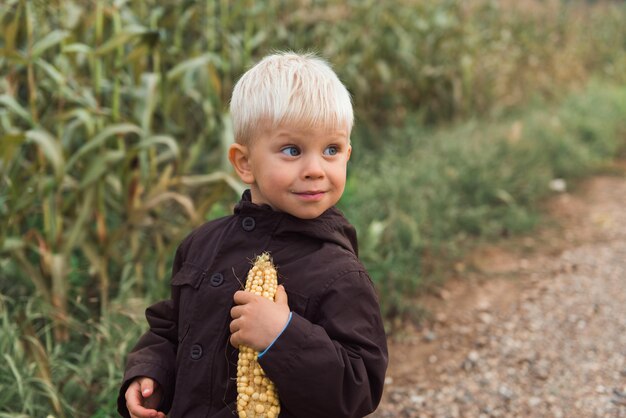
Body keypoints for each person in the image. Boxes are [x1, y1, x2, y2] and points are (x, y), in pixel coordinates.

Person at [118, 51, 388, 418]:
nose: (315, 169)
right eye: (292, 150)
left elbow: (360, 389)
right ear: (245, 163)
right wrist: (150, 373)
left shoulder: (340, 274)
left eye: (331, 150)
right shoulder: (201, 245)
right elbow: (171, 328)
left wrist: (284, 335)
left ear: (348, 154)